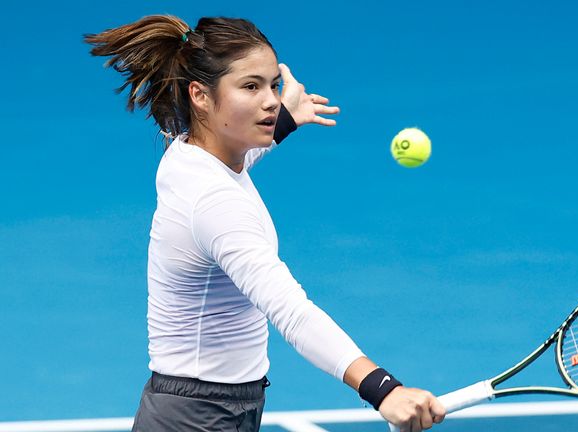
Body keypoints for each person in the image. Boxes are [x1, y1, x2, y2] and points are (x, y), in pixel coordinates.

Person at [85, 14, 445, 432]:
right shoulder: (215, 203)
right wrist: (383, 388)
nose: (271, 100)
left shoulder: (187, 157)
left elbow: (238, 159)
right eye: (250, 87)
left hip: (202, 409)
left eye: (273, 85)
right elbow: (290, 311)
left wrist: (285, 121)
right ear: (200, 95)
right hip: (198, 420)